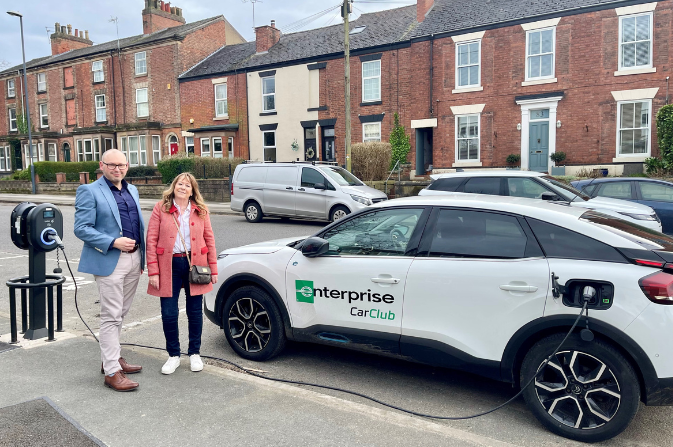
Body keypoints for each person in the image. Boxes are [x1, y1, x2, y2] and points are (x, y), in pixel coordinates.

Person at [74, 149, 145, 392]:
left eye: (122, 165)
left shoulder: (132, 189)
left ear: (127, 166)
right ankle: (112, 372)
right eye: (112, 165)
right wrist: (113, 242)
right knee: (111, 315)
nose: (118, 169)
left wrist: (141, 260)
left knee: (121, 313)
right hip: (111, 260)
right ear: (102, 165)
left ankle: (111, 360)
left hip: (134, 259)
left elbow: (138, 224)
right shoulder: (90, 191)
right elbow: (81, 228)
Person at [146, 173, 218, 374]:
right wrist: (153, 270)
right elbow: (151, 240)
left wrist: (213, 267)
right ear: (174, 186)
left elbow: (209, 239)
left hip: (195, 264)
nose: (183, 187)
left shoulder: (201, 210)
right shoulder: (161, 208)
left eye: (188, 185)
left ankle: (194, 353)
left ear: (193, 190)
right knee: (169, 313)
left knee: (195, 312)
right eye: (180, 183)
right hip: (168, 265)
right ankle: (173, 355)